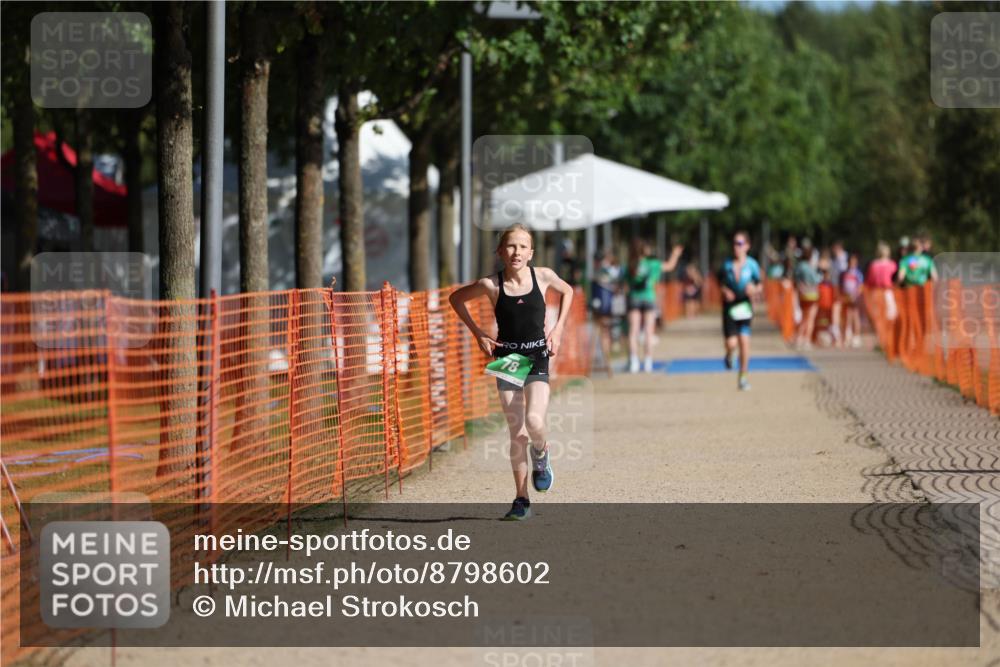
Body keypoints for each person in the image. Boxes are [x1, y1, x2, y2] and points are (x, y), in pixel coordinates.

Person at [449, 223, 574, 521]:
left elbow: (568, 291)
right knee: (516, 432)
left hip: (537, 355)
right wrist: (478, 333)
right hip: (508, 359)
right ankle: (521, 498)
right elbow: (456, 299)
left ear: (531, 253)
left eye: (522, 247)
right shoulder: (491, 285)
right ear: (500, 252)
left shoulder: (543, 276)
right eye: (510, 246)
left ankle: (541, 453)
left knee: (534, 421)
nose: (516, 252)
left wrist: (558, 329)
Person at [626, 239, 683, 373]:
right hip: (649, 298)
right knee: (648, 331)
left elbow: (625, 284)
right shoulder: (653, 263)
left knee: (633, 331)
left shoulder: (630, 265)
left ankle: (634, 361)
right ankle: (648, 361)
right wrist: (675, 254)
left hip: (634, 298)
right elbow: (670, 266)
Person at [719, 230, 762, 391]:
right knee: (731, 343)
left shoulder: (752, 265)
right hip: (730, 307)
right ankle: (729, 355)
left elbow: (760, 284)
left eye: (739, 243)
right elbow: (720, 282)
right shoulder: (726, 264)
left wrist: (754, 289)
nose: (736, 247)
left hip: (744, 305)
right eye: (734, 243)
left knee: (744, 341)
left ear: (747, 246)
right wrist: (725, 291)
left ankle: (743, 377)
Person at [591, 249, 623, 376]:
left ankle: (607, 364)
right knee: (604, 334)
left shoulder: (601, 272)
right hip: (608, 307)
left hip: (602, 307)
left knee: (601, 335)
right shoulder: (609, 272)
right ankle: (607, 364)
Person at [794, 240, 822, 350]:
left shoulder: (799, 266)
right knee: (810, 319)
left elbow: (796, 279)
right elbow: (816, 280)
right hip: (812, 294)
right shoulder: (810, 267)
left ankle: (799, 338)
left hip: (802, 294)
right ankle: (806, 340)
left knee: (803, 317)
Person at [840, 253, 864, 348]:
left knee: (855, 316)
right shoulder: (844, 273)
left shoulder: (858, 273)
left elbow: (860, 286)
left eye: (854, 262)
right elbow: (842, 285)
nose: (852, 263)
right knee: (847, 316)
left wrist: (856, 295)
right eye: (850, 262)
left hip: (855, 297)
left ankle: (856, 337)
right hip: (846, 297)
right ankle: (847, 336)